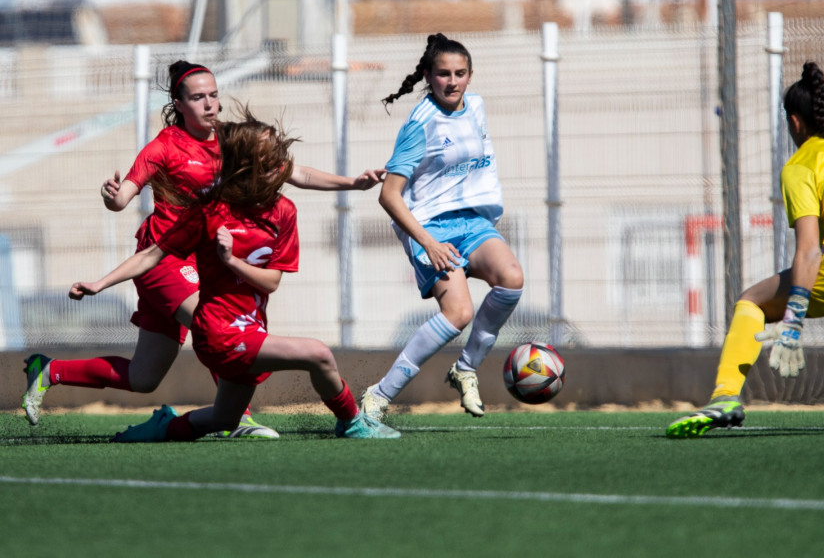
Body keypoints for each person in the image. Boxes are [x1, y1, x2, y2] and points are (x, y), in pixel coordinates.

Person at [22, 60, 383, 439]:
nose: (209, 104)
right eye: (198, 97)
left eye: (213, 95)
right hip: (163, 259)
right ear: (179, 104)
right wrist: (111, 197)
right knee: (210, 320)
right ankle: (237, 418)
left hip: (199, 261)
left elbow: (293, 171)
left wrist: (353, 183)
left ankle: (50, 371)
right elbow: (124, 196)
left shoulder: (232, 139)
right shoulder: (164, 146)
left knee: (143, 377)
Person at [666, 61, 824, 439]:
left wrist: (793, 318)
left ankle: (724, 396)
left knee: (752, 301)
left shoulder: (801, 164)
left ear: (794, 122)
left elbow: (809, 251)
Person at [358, 33, 524, 421]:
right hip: (430, 227)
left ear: (470, 76)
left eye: (460, 73)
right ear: (429, 78)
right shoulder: (420, 123)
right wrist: (429, 243)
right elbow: (390, 195)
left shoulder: (478, 107)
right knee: (459, 313)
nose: (453, 81)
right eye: (443, 74)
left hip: (471, 221)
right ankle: (378, 397)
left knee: (511, 278)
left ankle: (465, 369)